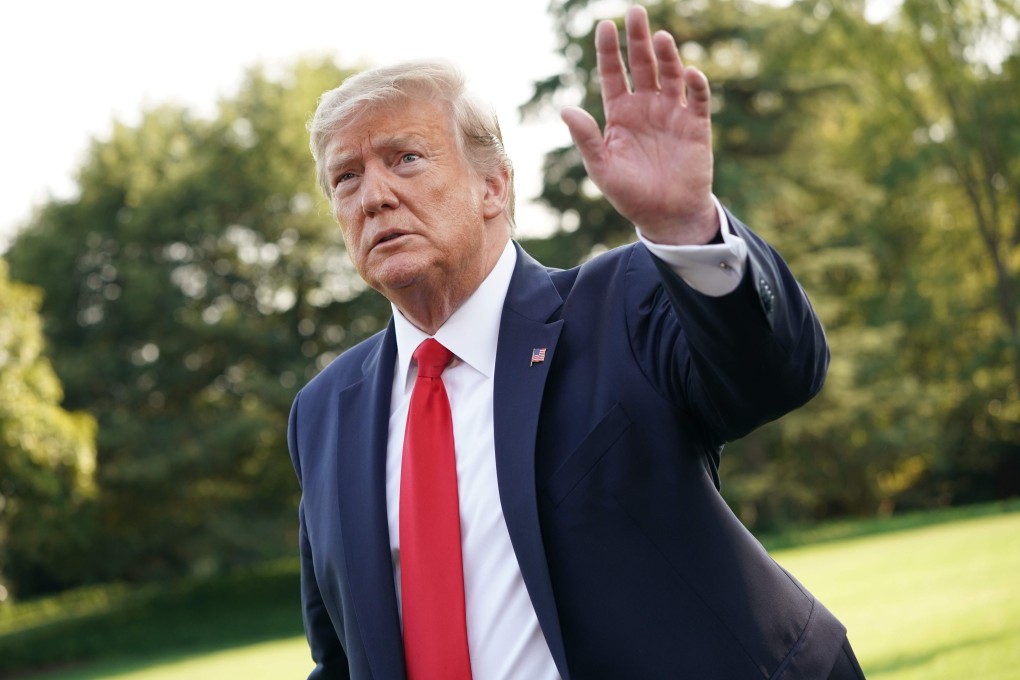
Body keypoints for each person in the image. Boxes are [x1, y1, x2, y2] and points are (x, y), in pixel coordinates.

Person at [287, 6, 865, 679]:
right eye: (346, 177)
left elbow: (775, 376)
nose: (374, 196)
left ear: (492, 186)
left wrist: (687, 227)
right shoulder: (323, 411)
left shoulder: (622, 302)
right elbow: (342, 658)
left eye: (406, 158)